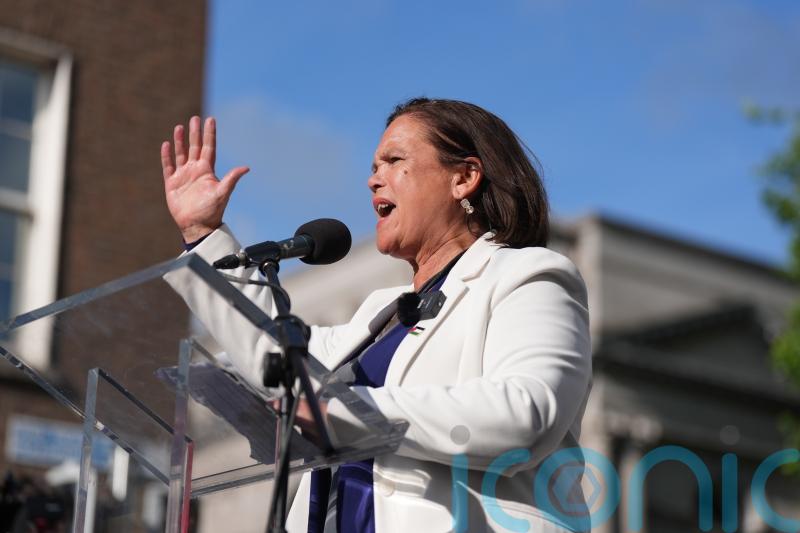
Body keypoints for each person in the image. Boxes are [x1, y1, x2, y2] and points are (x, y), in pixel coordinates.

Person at [161, 98, 592, 533]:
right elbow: (274, 355)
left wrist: (345, 412)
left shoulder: (527, 275)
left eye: (394, 160)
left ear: (463, 178)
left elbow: (527, 412)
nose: (372, 179)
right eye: (373, 166)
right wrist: (203, 233)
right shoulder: (377, 315)